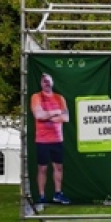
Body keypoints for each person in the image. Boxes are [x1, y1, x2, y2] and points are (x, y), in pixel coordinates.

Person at [30, 73, 70, 204]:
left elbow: (66, 117)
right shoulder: (36, 97)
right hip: (42, 140)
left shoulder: (60, 98)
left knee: (58, 167)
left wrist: (47, 116)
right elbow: (38, 115)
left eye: (48, 81)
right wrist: (56, 112)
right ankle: (42, 196)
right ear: (41, 84)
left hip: (57, 139)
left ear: (52, 82)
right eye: (44, 81)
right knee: (42, 168)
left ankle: (58, 193)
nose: (46, 83)